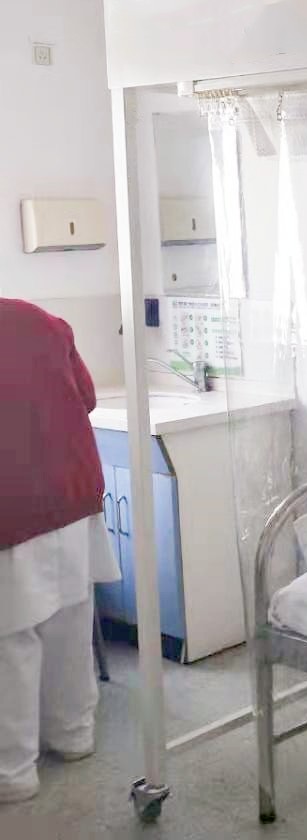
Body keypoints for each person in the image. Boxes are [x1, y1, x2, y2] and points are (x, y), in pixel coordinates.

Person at [0, 298, 119, 803]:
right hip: (70, 491)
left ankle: (12, 772)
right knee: (70, 615)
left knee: (10, 639)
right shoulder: (40, 320)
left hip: (11, 503)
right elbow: (86, 397)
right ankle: (73, 735)